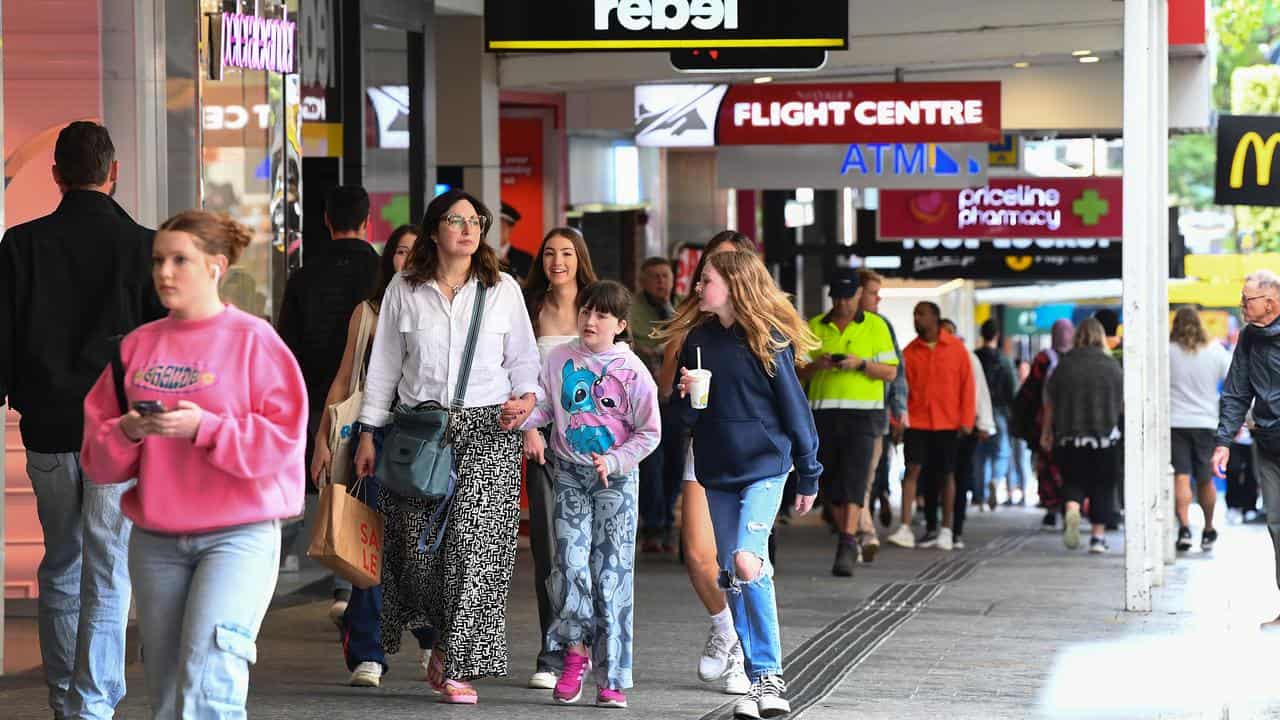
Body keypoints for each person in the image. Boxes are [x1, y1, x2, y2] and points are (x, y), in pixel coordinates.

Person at [81, 210, 307, 717]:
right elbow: (98, 457)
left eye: (180, 259)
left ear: (215, 266)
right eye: (158, 260)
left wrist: (206, 428)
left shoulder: (255, 342)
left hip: (239, 534)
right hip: (157, 539)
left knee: (210, 679)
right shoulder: (137, 347)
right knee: (165, 686)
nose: (164, 272)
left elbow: (283, 442)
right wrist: (128, 430)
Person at [0, 121, 165, 719]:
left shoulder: (20, 246)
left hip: (46, 428)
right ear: (113, 173)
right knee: (108, 565)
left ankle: (62, 697)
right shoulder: (146, 247)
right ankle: (91, 704)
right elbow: (159, 351)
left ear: (56, 177)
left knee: (61, 560)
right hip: (116, 436)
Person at [353, 189, 541, 703]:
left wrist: (527, 401)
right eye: (455, 220)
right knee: (420, 555)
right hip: (419, 432)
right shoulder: (404, 289)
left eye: (475, 220)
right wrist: (368, 432)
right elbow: (385, 366)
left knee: (477, 550)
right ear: (434, 230)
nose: (467, 228)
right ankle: (437, 639)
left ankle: (458, 661)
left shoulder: (502, 288)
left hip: (488, 429)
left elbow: (524, 359)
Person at [660, 249, 822, 719]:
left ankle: (771, 675)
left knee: (748, 562)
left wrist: (808, 471)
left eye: (705, 279)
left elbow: (796, 410)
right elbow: (684, 420)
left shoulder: (768, 340)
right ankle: (757, 683)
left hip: (766, 467)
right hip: (718, 470)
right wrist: (687, 398)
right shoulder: (697, 340)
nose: (697, 288)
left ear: (731, 284)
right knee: (732, 575)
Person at [521, 281, 661, 709]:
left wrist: (615, 461)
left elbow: (650, 433)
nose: (590, 320)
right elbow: (549, 408)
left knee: (611, 577)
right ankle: (575, 653)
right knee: (568, 564)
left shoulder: (634, 371)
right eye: (586, 311)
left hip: (615, 483)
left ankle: (612, 676)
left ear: (620, 325)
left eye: (601, 315)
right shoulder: (561, 357)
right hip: (568, 475)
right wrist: (524, 417)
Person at [307, 224, 422, 687]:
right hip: (370, 437)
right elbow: (342, 379)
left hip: (423, 442)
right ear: (388, 259)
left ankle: (430, 635)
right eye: (399, 252)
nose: (407, 261)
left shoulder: (440, 309)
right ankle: (368, 652)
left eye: (417, 253)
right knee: (368, 542)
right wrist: (323, 438)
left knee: (419, 548)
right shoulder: (369, 311)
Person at [653, 230, 756, 696]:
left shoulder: (764, 325)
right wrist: (679, 378)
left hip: (756, 457)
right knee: (697, 553)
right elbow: (665, 387)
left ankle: (747, 657)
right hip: (705, 445)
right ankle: (725, 628)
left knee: (742, 560)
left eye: (734, 265)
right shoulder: (690, 322)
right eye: (716, 266)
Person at [277, 185, 379, 581]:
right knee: (369, 489)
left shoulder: (304, 277)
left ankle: (341, 579)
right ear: (369, 222)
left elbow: (287, 347)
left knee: (332, 486)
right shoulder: (383, 274)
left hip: (320, 400)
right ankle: (360, 580)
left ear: (325, 221)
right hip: (373, 400)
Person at [521, 226, 599, 690]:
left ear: (579, 258)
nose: (558, 261)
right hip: (545, 440)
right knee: (550, 549)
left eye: (567, 253)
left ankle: (587, 646)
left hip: (594, 440)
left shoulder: (597, 306)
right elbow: (517, 370)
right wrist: (530, 426)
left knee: (590, 551)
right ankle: (553, 651)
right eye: (549, 253)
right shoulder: (529, 307)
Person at [800, 268, 898, 576]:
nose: (843, 304)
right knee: (829, 483)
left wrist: (861, 364)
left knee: (855, 480)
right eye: (838, 297)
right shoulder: (814, 326)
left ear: (858, 295)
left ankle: (846, 541)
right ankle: (846, 533)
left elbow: (891, 371)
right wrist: (819, 365)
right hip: (823, 415)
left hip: (863, 416)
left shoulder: (876, 326)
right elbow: (797, 371)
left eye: (848, 297)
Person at [1213, 270, 1280, 629]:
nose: (1241, 305)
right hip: (1269, 444)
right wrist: (1223, 441)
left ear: (1270, 302)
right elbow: (1237, 390)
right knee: (1276, 523)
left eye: (1246, 300)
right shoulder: (1249, 339)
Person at [886, 303, 975, 551]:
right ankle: (904, 527)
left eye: (921, 314)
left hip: (949, 422)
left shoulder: (957, 349)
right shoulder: (909, 352)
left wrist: (967, 421)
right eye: (914, 314)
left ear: (935, 318)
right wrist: (897, 421)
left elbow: (968, 388)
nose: (916, 318)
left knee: (947, 474)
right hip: (917, 421)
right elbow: (900, 391)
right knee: (912, 471)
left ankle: (946, 530)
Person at [1041, 318, 1123, 553]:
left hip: (1069, 438)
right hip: (1104, 439)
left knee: (1073, 482)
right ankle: (1097, 538)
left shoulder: (1063, 366)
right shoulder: (1111, 367)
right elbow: (1123, 405)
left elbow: (1049, 403)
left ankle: (1072, 510)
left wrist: (1047, 432)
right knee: (1103, 487)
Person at [1169, 306, 1231, 553]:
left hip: (1175, 423)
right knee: (1206, 478)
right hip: (1206, 422)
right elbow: (1233, 380)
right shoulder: (1215, 351)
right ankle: (1208, 528)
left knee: (1181, 475)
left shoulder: (1167, 351)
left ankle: (1184, 528)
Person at [632, 257, 681, 553]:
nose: (661, 282)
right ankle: (652, 524)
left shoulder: (681, 308)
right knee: (651, 461)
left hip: (676, 398)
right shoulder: (632, 311)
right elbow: (637, 347)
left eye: (665, 276)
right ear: (643, 281)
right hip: (644, 398)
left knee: (675, 462)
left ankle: (666, 523)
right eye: (655, 277)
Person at [935, 319, 995, 550]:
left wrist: (983, 423)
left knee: (959, 477)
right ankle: (944, 526)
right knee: (945, 476)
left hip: (965, 427)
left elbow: (979, 391)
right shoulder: (940, 357)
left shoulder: (967, 357)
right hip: (942, 427)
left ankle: (955, 528)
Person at [1012, 319, 1074, 528]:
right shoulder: (1077, 358)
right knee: (1068, 467)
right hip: (1072, 424)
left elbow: (1030, 392)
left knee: (1046, 466)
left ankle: (1051, 507)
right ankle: (1070, 506)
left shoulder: (1043, 359)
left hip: (1044, 423)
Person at [859, 270, 908, 531]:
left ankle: (863, 530)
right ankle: (865, 517)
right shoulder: (825, 324)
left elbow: (895, 371)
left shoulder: (882, 325)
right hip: (833, 414)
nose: (878, 300)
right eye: (873, 293)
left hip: (877, 413)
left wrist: (899, 410)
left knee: (871, 472)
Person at [974, 319, 1017, 510]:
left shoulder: (974, 358)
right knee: (1002, 453)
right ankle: (996, 479)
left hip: (977, 412)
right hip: (999, 412)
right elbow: (1012, 389)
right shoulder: (1004, 360)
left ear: (982, 335)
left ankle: (980, 496)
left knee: (979, 456)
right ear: (997, 336)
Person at [499, 202, 534, 280]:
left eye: (501, 226)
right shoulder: (479, 255)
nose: (496, 231)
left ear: (510, 228)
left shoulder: (526, 260)